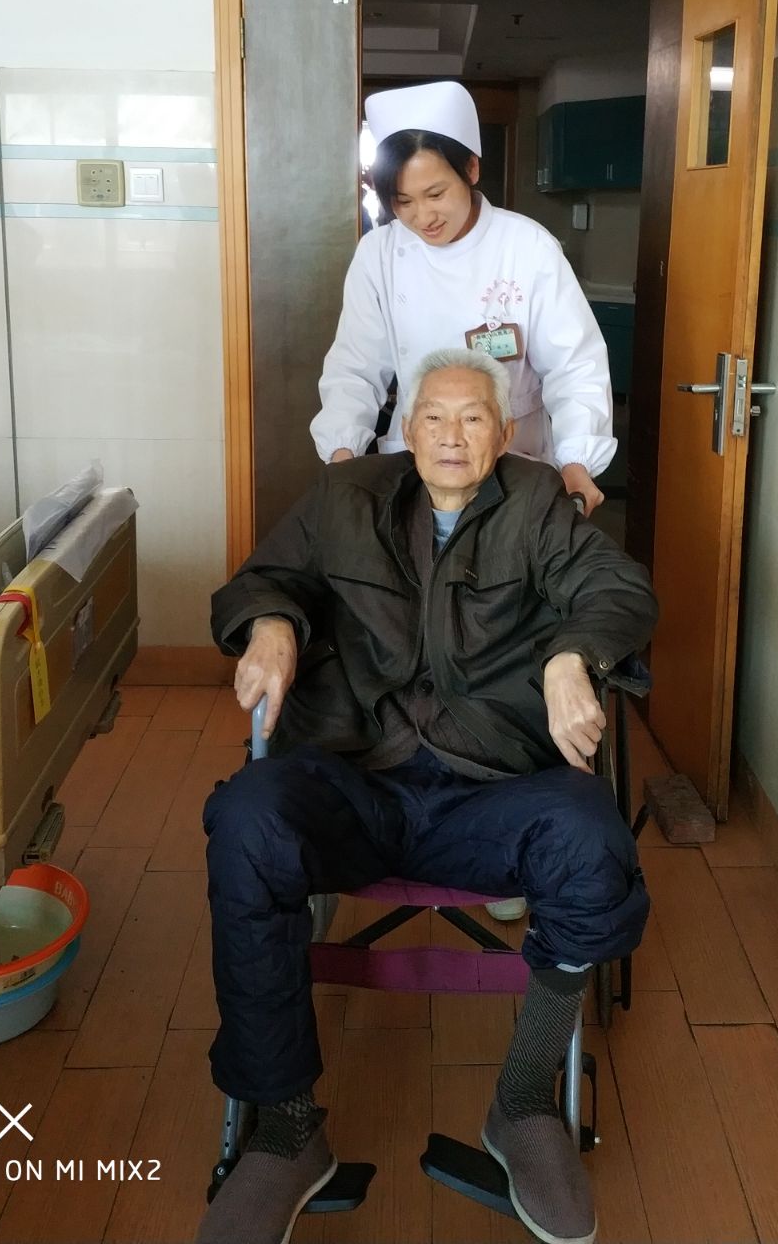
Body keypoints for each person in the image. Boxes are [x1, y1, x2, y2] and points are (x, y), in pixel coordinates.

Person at [198, 349, 657, 1244]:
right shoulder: (344, 499)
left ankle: (524, 1104)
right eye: (434, 418)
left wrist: (572, 656)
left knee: (592, 842)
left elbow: (617, 588)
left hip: (491, 788)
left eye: (473, 418)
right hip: (356, 780)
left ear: (506, 433)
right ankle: (285, 1126)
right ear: (405, 431)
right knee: (249, 819)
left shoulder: (537, 504)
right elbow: (262, 578)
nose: (452, 435)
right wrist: (273, 624)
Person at [311, 80, 617, 517]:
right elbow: (354, 368)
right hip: (416, 462)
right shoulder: (379, 254)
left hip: (517, 461)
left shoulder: (527, 247)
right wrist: (343, 456)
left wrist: (577, 461)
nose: (423, 217)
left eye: (435, 194)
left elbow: (575, 366)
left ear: (471, 169)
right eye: (403, 201)